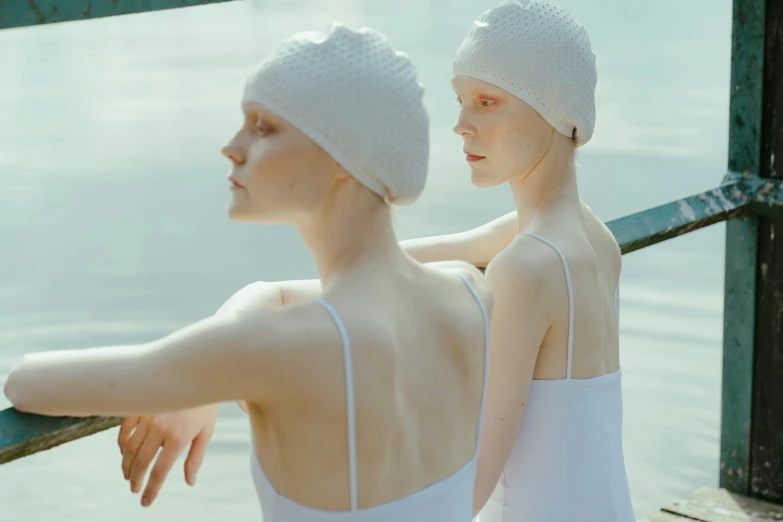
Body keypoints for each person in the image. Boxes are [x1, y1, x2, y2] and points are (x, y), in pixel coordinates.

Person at [114, 1, 636, 519]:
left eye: (487, 102)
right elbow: (367, 273)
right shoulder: (589, 239)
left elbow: (466, 488)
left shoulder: (525, 266)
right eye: (460, 101)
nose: (460, 124)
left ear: (555, 107)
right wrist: (219, 353)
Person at [4, 23, 494, 521]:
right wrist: (219, 356)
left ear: (346, 156)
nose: (232, 147)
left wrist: (202, 379)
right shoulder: (469, 293)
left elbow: (24, 384)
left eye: (264, 128)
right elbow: (281, 296)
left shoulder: (273, 349)